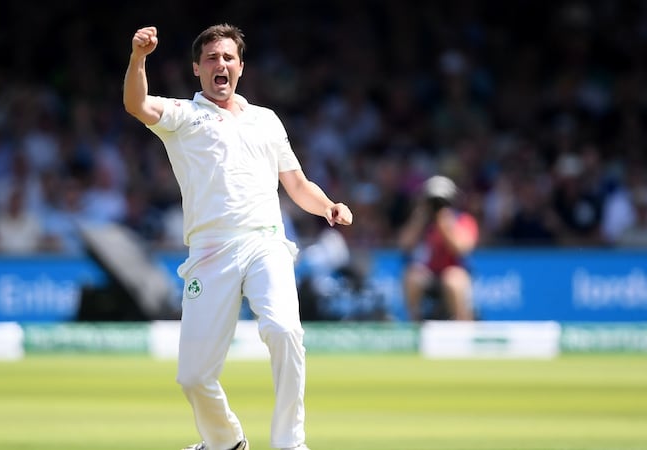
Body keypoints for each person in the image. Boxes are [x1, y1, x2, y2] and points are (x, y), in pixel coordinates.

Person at [123, 24, 353, 450]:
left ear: (241, 67)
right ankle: (226, 443)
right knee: (192, 377)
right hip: (210, 252)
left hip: (266, 242)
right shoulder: (183, 115)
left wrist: (329, 207)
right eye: (211, 58)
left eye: (228, 58)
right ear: (197, 68)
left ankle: (289, 443)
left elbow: (297, 184)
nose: (220, 65)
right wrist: (139, 58)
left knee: (285, 331)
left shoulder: (266, 120)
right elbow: (136, 104)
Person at [399, 175, 478, 321]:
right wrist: (420, 219)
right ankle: (415, 324)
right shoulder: (422, 222)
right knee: (412, 276)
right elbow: (404, 244)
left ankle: (462, 325)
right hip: (428, 275)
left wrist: (446, 223)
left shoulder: (463, 220)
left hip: (455, 273)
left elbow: (461, 248)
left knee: (452, 280)